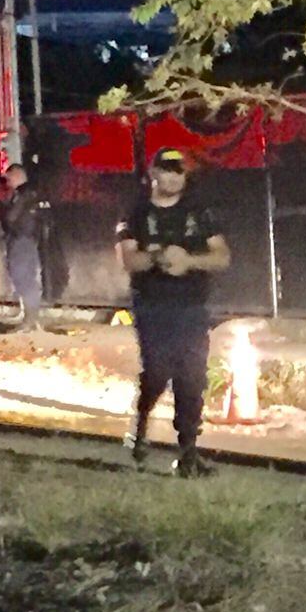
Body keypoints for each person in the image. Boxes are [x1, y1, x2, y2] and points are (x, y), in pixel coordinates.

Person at [115, 149, 231, 476]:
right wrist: (159, 258)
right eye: (167, 170)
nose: (173, 177)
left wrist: (189, 261)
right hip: (153, 305)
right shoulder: (137, 212)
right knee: (157, 371)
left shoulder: (198, 211)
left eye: (179, 171)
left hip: (191, 305)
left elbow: (222, 256)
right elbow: (128, 259)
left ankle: (188, 452)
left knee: (192, 377)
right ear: (154, 173)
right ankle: (140, 428)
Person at [0, 164, 43, 328]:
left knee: (23, 277)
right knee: (25, 277)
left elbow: (11, 217)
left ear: (16, 176)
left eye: (9, 178)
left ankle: (30, 320)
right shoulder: (30, 193)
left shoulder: (24, 194)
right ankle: (30, 318)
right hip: (27, 240)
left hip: (22, 240)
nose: (7, 183)